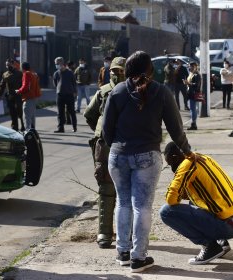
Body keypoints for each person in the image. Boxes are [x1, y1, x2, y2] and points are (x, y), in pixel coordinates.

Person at [102, 50, 193, 273]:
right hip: (147, 156)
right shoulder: (161, 92)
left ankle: (122, 252)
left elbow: (106, 130)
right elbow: (175, 129)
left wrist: (118, 146)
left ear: (128, 70)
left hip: (118, 155)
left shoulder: (117, 91)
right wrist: (188, 152)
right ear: (150, 71)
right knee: (141, 206)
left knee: (122, 203)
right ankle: (138, 258)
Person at [159, 141, 233, 265]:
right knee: (193, 200)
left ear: (175, 157)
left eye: (170, 164)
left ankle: (210, 246)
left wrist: (178, 182)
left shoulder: (186, 165)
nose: (172, 169)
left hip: (228, 226)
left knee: (166, 212)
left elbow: (171, 199)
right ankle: (221, 242)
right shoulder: (203, 157)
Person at [84, 56, 126, 249]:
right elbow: (90, 115)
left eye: (119, 71)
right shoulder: (129, 91)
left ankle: (112, 234)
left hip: (113, 144)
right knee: (116, 190)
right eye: (114, 71)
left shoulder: (106, 91)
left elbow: (89, 115)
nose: (117, 75)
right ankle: (112, 233)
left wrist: (99, 130)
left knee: (114, 190)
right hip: (116, 144)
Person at [52, 57, 77, 133]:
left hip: (69, 95)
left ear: (62, 63)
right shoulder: (56, 73)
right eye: (55, 64)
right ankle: (60, 128)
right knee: (60, 112)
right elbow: (55, 83)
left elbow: (74, 83)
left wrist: (75, 92)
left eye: (57, 63)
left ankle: (74, 127)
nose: (56, 65)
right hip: (60, 95)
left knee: (71, 111)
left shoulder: (70, 73)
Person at [0, 58, 25, 131]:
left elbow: (23, 84)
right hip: (10, 95)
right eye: (6, 65)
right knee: (12, 112)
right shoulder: (5, 74)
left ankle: (23, 124)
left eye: (9, 65)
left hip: (18, 95)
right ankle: (15, 127)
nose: (8, 66)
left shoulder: (19, 73)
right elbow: (2, 85)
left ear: (13, 64)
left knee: (19, 111)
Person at [16, 62, 41, 130]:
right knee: (32, 116)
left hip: (28, 97)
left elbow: (25, 86)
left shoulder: (26, 74)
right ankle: (33, 131)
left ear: (22, 68)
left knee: (27, 117)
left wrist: (19, 91)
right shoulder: (34, 74)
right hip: (34, 97)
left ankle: (28, 132)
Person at [184, 62, 201, 130]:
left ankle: (193, 124)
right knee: (191, 109)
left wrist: (189, 83)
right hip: (190, 93)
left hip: (193, 93)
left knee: (193, 109)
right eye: (189, 66)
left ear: (194, 67)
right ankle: (193, 123)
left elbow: (197, 85)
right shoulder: (191, 74)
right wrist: (186, 83)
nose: (189, 68)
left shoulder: (197, 75)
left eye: (191, 66)